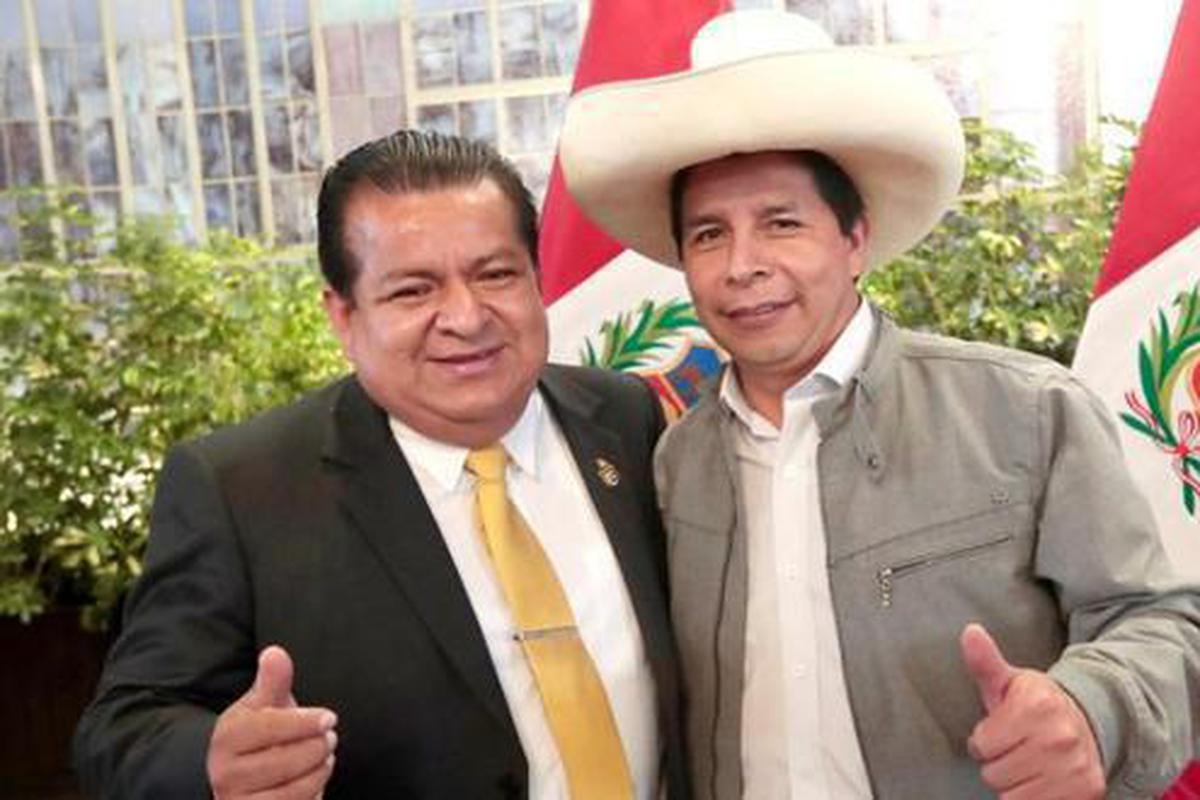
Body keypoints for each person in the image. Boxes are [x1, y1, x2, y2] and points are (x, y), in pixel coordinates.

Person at [558, 9, 1200, 800]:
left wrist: (1093, 709)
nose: (742, 265)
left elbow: (1160, 622)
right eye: (708, 235)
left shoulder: (1024, 412)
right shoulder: (675, 462)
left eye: (781, 224)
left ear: (855, 239)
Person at [73, 130, 688, 799]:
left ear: (536, 280)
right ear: (343, 315)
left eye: (495, 275)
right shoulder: (241, 489)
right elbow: (122, 729)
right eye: (412, 291)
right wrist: (209, 760)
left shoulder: (625, 419)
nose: (465, 317)